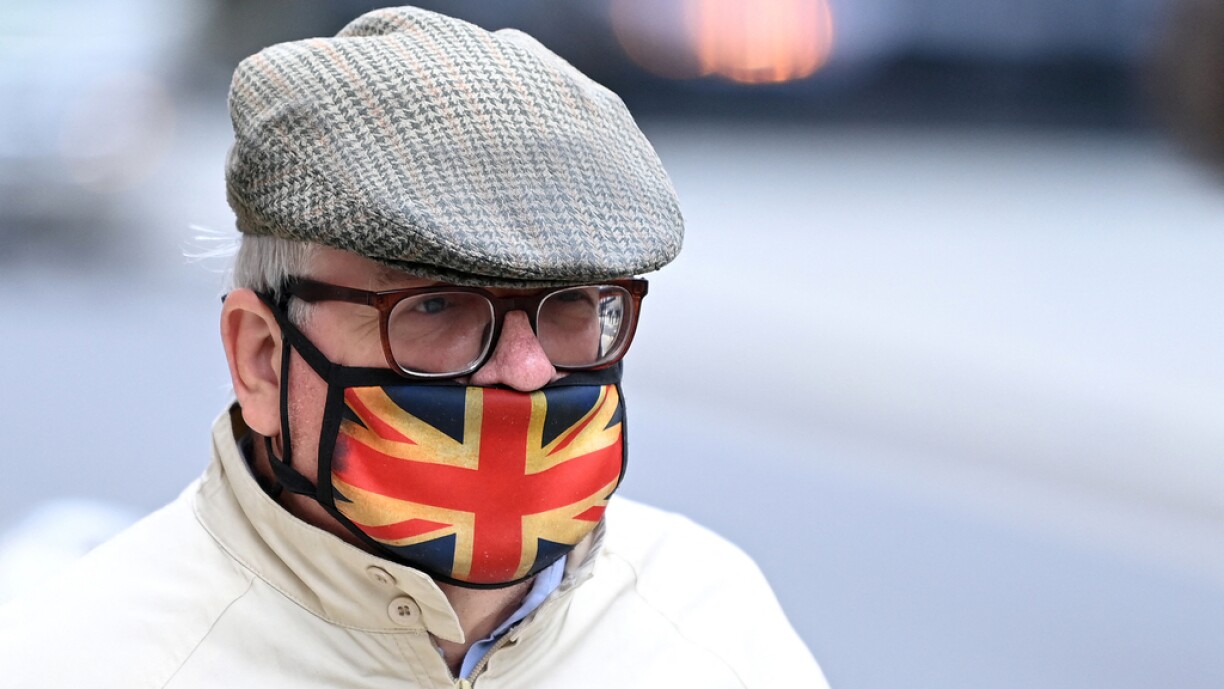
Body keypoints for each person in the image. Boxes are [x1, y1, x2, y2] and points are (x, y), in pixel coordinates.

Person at [0, 6, 827, 687]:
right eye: (435, 306)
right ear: (260, 356)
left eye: (572, 303)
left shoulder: (718, 631)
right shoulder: (82, 661)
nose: (529, 369)